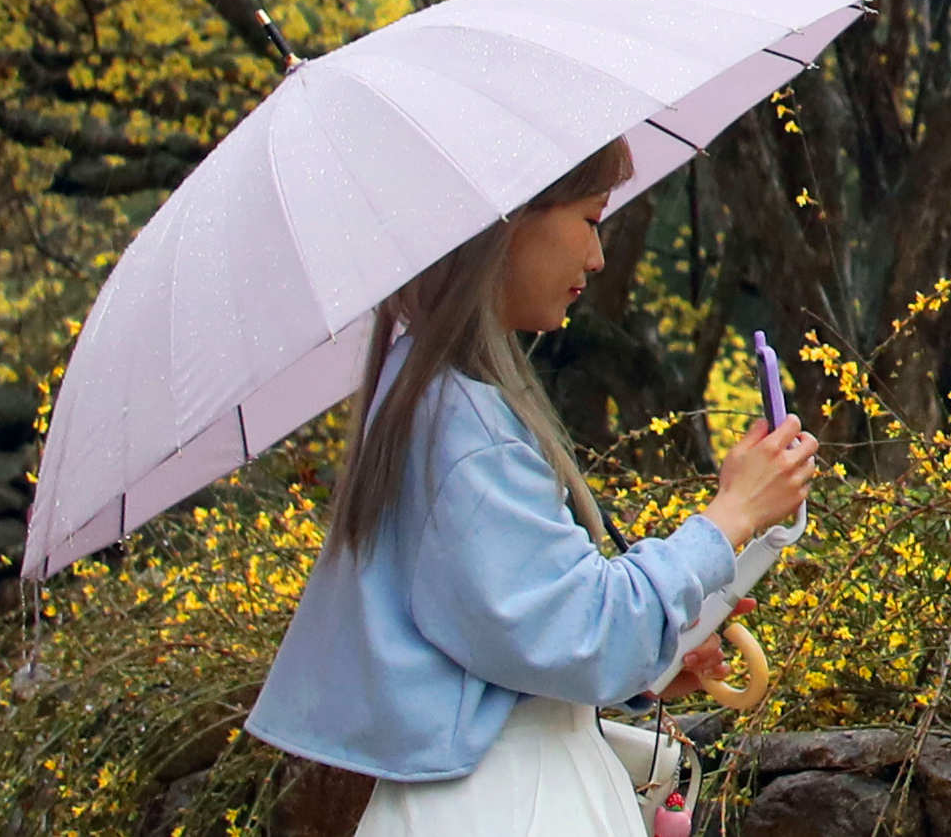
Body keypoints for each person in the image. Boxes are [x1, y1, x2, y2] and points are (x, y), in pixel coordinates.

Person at [252, 139, 819, 836]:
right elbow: (591, 632)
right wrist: (731, 516)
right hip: (509, 805)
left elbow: (512, 640)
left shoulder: (426, 395)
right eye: (589, 218)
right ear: (507, 220)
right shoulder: (465, 425)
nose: (598, 256)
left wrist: (649, 669)